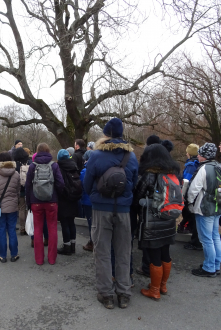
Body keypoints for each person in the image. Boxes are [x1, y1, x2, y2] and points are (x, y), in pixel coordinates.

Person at [83, 118, 138, 309]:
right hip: (123, 210)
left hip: (100, 209)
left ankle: (106, 294)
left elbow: (87, 184)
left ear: (106, 135)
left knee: (102, 251)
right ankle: (124, 293)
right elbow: (135, 183)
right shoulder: (131, 157)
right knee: (123, 251)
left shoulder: (96, 155)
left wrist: (96, 197)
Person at [132, 144, 180, 301]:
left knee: (154, 255)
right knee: (165, 254)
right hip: (169, 220)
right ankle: (163, 286)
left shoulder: (149, 175)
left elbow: (137, 195)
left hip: (152, 222)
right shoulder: (173, 173)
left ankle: (154, 290)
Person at [187, 143, 221, 277]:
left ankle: (209, 268)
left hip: (205, 207)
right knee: (215, 236)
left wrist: (190, 203)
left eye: (200, 153)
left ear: (204, 156)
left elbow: (193, 190)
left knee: (206, 239)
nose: (198, 155)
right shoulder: (219, 166)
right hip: (217, 205)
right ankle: (216, 265)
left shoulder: (204, 169)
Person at [25, 143, 65, 265]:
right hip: (52, 201)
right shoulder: (54, 165)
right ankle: (52, 259)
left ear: (37, 152)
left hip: (36, 202)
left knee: (38, 230)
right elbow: (61, 183)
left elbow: (28, 185)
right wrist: (57, 197)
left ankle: (39, 259)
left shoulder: (32, 166)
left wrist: (29, 203)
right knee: (52, 228)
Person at [0, 152, 21, 263]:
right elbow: (17, 191)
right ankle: (14, 254)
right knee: (12, 230)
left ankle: (2, 255)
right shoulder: (16, 174)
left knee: (1, 230)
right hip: (12, 206)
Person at [56, 149, 80, 255]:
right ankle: (73, 246)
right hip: (74, 197)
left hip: (64, 198)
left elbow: (59, 184)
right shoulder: (74, 166)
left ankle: (67, 246)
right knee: (71, 222)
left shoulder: (59, 168)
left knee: (64, 223)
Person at [181, 144, 202, 250]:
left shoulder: (190, 165)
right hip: (199, 195)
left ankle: (195, 242)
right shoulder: (199, 163)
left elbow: (186, 181)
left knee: (191, 216)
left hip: (191, 195)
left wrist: (183, 196)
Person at [13, 147, 32, 236]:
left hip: (20, 188)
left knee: (21, 208)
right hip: (29, 188)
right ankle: (29, 227)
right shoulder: (30, 162)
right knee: (29, 208)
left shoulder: (15, 165)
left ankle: (22, 228)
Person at [81, 150, 93, 251]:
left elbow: (82, 185)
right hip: (97, 200)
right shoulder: (100, 167)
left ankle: (92, 242)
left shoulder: (85, 171)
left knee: (91, 223)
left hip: (87, 200)